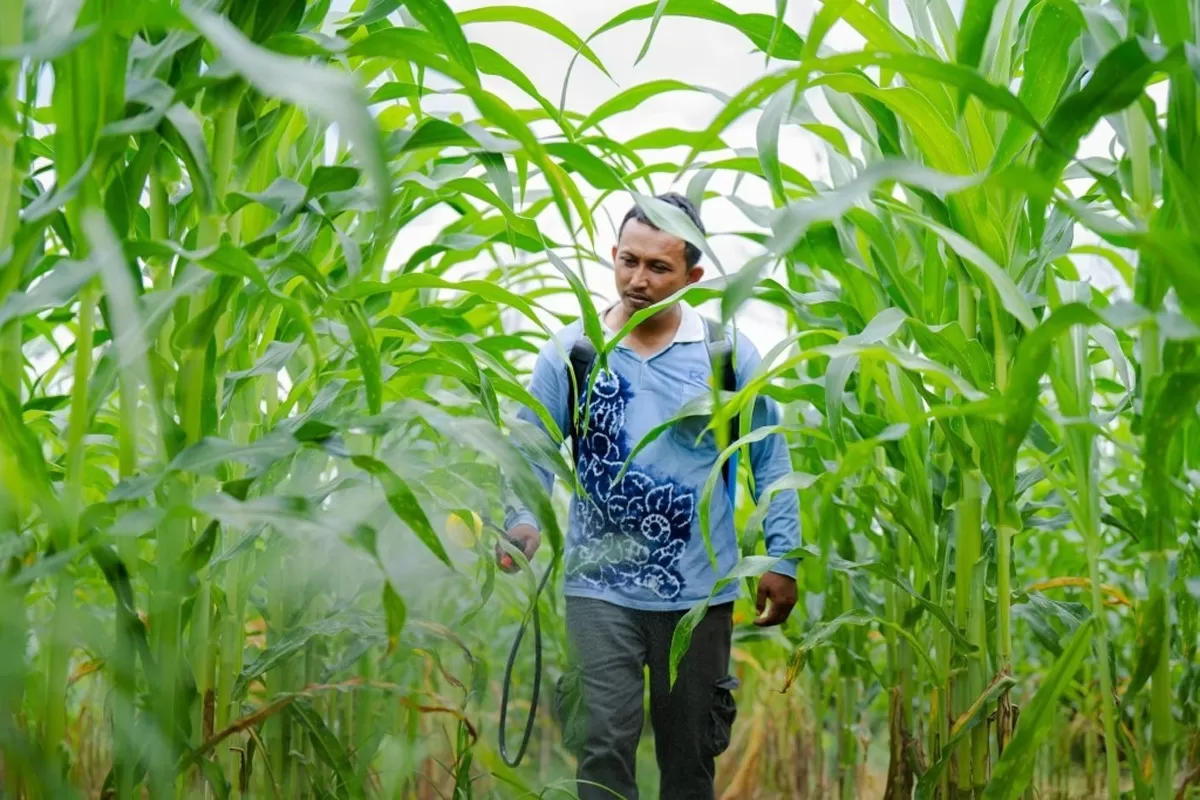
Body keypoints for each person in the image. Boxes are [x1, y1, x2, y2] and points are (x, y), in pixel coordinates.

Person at [499, 193, 801, 800]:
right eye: (628, 261)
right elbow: (530, 449)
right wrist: (523, 519)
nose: (638, 280)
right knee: (602, 748)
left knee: (689, 761)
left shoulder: (726, 355)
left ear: (693, 275)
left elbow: (771, 458)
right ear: (613, 255)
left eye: (659, 268)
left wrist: (782, 557)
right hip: (597, 588)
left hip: (698, 596)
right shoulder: (575, 352)